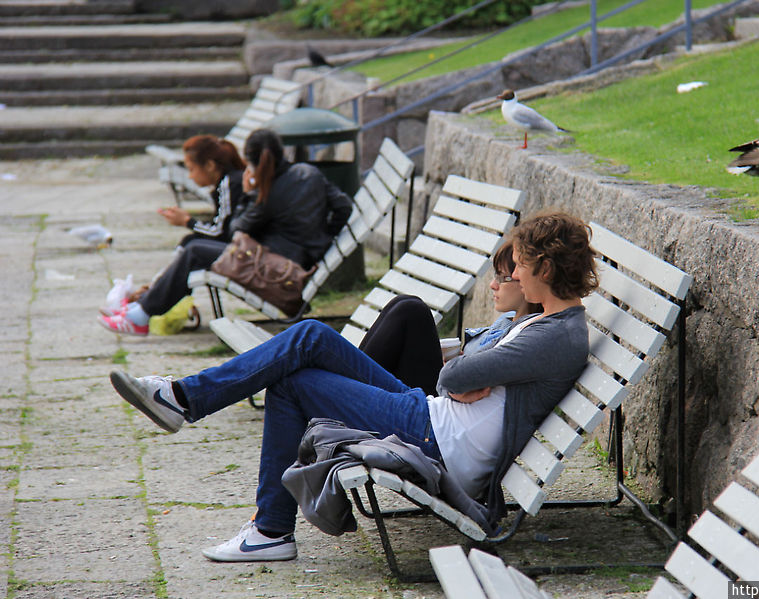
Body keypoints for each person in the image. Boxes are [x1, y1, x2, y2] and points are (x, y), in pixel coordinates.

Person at [108, 211, 598, 562]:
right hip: (430, 415)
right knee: (308, 341)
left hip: (437, 440)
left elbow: (454, 376)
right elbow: (464, 375)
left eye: (520, 266)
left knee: (294, 374)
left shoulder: (557, 335)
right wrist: (474, 373)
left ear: (546, 269)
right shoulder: (543, 324)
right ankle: (252, 505)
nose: (511, 274)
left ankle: (254, 504)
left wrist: (471, 375)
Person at [98, 129, 353, 336]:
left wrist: (249, 192)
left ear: (254, 163)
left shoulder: (268, 189)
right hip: (290, 260)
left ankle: (139, 316)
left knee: (195, 250)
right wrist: (323, 241)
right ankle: (140, 308)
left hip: (276, 269)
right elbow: (344, 206)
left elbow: (236, 230)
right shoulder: (310, 173)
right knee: (194, 246)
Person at [358, 240, 543, 395]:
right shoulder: (507, 321)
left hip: (445, 407)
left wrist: (458, 367)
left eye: (504, 278)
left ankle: (349, 386)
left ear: (528, 279)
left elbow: (487, 383)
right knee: (403, 303)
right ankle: (349, 384)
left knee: (412, 310)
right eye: (495, 276)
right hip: (446, 388)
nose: (493, 285)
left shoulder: (531, 333)